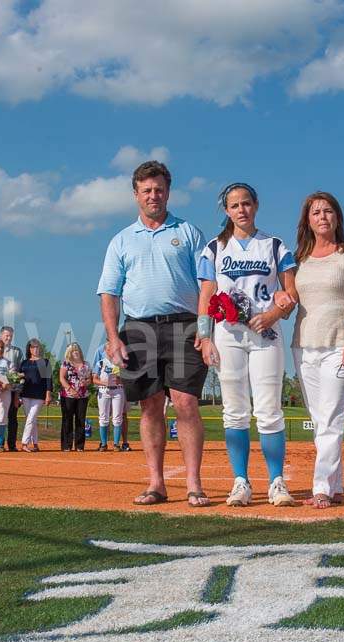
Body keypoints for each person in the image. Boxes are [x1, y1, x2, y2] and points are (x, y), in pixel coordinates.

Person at [97, 160, 211, 507]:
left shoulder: (189, 232)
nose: (153, 196)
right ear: (136, 195)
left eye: (159, 189)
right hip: (138, 328)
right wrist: (113, 336)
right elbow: (109, 292)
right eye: (146, 190)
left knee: (186, 403)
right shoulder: (121, 241)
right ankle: (156, 483)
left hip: (185, 325)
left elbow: (208, 283)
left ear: (168, 192)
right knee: (149, 406)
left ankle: (194, 484)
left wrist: (204, 329)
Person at [197, 182, 298, 507]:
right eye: (235, 205)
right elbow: (206, 296)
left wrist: (272, 314)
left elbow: (290, 296)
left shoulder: (275, 246)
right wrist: (204, 337)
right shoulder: (213, 248)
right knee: (234, 412)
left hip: (265, 336)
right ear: (226, 211)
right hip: (228, 337)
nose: (242, 210)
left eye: (246, 204)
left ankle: (276, 482)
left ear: (256, 205)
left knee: (269, 411)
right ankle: (240, 481)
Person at [290, 191, 344, 509]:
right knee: (319, 418)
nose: (322, 216)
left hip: (340, 345)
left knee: (332, 418)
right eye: (316, 212)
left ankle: (321, 487)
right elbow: (288, 298)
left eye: (328, 211)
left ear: (337, 218)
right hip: (303, 346)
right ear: (307, 221)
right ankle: (336, 487)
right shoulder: (299, 260)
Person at [18, 339, 52, 452]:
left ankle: (24, 443)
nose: (35, 349)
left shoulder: (44, 362)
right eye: (32, 347)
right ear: (29, 349)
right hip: (26, 394)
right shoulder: (24, 363)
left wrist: (48, 394)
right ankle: (36, 443)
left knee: (31, 418)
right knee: (31, 420)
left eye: (37, 347)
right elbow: (18, 378)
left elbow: (48, 380)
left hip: (39, 395)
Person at [91, 342, 126, 451]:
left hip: (118, 390)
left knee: (117, 417)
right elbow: (94, 379)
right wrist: (105, 383)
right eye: (108, 350)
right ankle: (103, 444)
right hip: (104, 390)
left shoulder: (120, 363)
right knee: (103, 417)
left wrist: (120, 380)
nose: (110, 352)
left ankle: (116, 444)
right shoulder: (100, 363)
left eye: (112, 349)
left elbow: (128, 378)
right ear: (105, 351)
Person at [58, 342, 91, 452]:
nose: (75, 352)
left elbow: (89, 379)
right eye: (73, 351)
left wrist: (85, 383)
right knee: (67, 420)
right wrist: (70, 389)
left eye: (77, 350)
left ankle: (79, 445)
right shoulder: (66, 364)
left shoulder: (86, 364)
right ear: (69, 353)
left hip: (82, 395)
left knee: (80, 420)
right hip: (68, 395)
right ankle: (66, 445)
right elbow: (62, 378)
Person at [0, 326, 24, 451]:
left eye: (10, 336)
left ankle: (12, 444)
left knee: (12, 418)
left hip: (12, 390)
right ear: (1, 336)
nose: (8, 338)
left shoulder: (17, 352)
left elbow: (20, 374)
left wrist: (18, 394)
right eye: (6, 335)